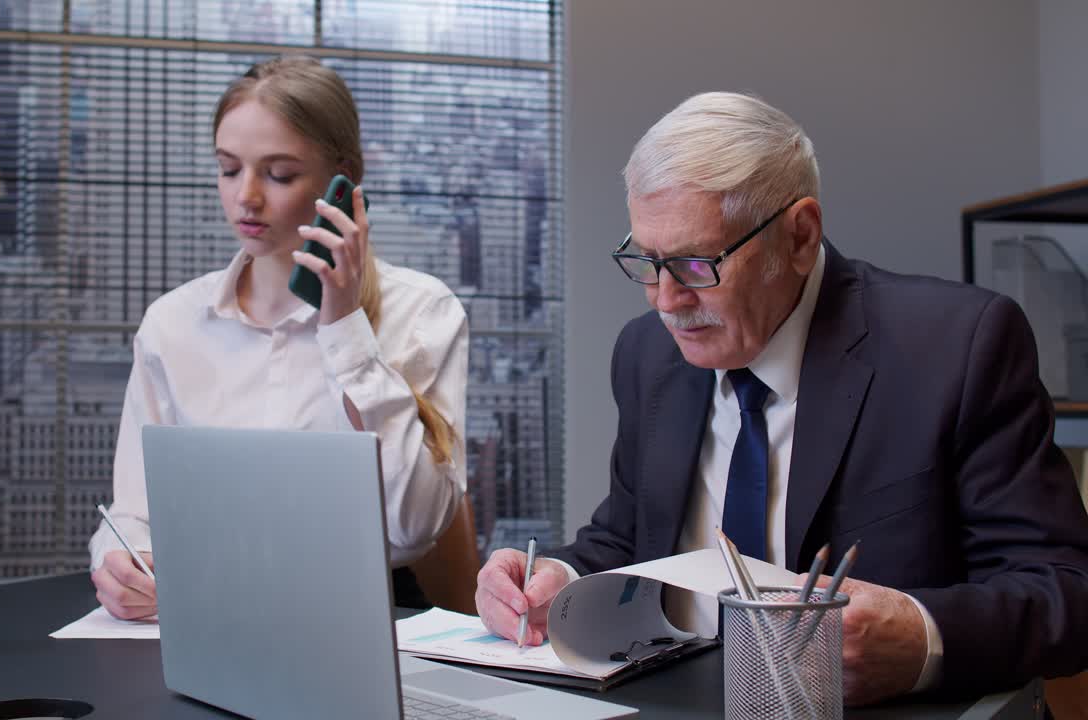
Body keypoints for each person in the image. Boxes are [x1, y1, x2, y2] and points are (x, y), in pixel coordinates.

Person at [475, 91, 1088, 705]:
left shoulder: (957, 346)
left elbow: (1065, 591)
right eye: (647, 261)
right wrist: (555, 578)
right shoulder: (646, 355)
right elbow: (629, 538)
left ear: (800, 236)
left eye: (696, 265)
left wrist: (921, 636)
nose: (666, 300)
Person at [90, 56, 468, 619]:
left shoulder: (420, 311)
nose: (246, 196)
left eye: (279, 175)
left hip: (360, 609)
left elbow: (416, 526)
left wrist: (344, 330)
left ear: (343, 180)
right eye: (228, 169)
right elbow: (134, 509)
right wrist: (118, 560)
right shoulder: (172, 324)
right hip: (202, 603)